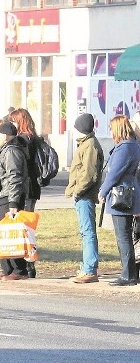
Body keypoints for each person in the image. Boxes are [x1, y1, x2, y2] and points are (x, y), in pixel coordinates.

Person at [98, 115, 140, 286]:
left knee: (123, 236)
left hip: (121, 195)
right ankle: (129, 273)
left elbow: (114, 173)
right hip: (128, 191)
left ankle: (128, 275)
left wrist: (102, 191)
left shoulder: (125, 147)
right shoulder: (133, 145)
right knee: (125, 236)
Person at [0, 121, 30, 280]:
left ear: (5, 136)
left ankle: (19, 271)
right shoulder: (3, 150)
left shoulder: (12, 151)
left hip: (9, 198)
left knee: (13, 235)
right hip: (1, 196)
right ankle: (7, 269)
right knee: (4, 235)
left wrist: (13, 203)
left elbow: (15, 177)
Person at [65, 113, 104, 284]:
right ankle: (86, 267)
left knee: (88, 232)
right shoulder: (85, 144)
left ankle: (89, 269)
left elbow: (89, 174)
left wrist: (77, 191)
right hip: (82, 194)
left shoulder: (90, 146)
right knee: (85, 231)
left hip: (85, 195)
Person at [7, 108, 41, 278]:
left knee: (24, 228)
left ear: (19, 121)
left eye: (13, 120)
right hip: (32, 188)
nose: (10, 124)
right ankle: (29, 264)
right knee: (27, 227)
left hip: (25, 189)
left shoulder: (22, 140)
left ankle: (28, 265)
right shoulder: (34, 137)